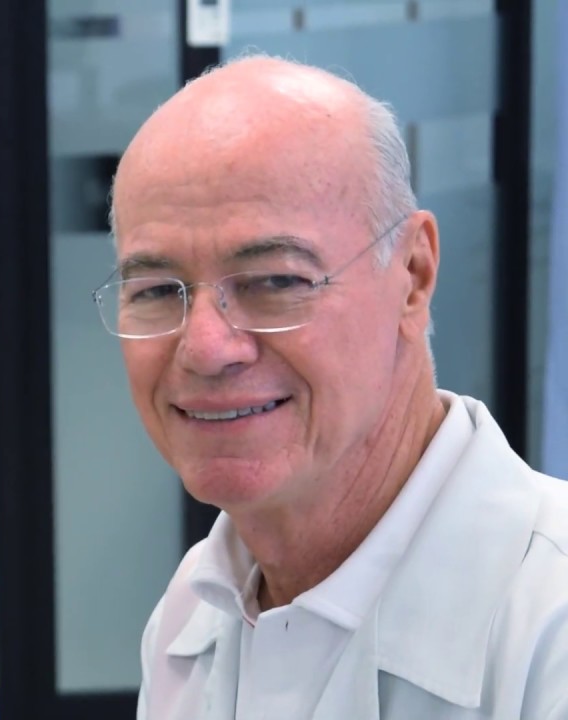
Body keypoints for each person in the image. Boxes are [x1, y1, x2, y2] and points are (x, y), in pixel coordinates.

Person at [96, 54, 568, 718]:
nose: (204, 348)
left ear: (414, 274)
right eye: (153, 291)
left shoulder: (549, 624)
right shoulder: (190, 614)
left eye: (276, 280)